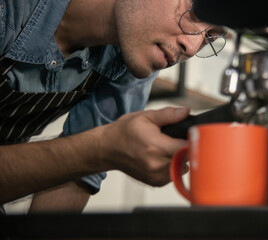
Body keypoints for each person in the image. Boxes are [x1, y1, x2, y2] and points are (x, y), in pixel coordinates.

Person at [0, 0, 226, 213]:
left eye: (210, 38)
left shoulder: (135, 53)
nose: (192, 47)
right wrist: (101, 151)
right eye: (194, 11)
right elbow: (89, 154)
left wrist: (97, 154)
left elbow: (74, 179)